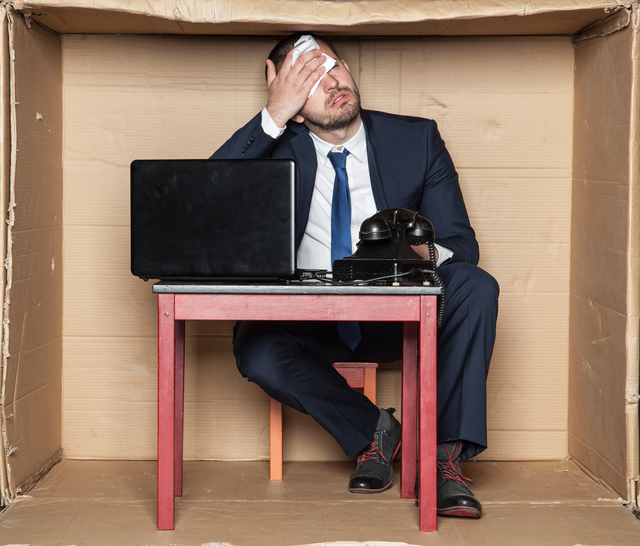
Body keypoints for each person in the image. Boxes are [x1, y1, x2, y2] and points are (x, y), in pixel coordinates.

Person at [211, 32, 499, 519]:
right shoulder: (278, 145)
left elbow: (461, 246)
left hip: (396, 315)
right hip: (310, 320)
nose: (332, 83)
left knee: (475, 285)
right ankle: (376, 432)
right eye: (308, 80)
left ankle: (442, 461)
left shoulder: (415, 138)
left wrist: (401, 254)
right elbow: (207, 207)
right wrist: (272, 118)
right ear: (291, 103)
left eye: (333, 67)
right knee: (259, 349)